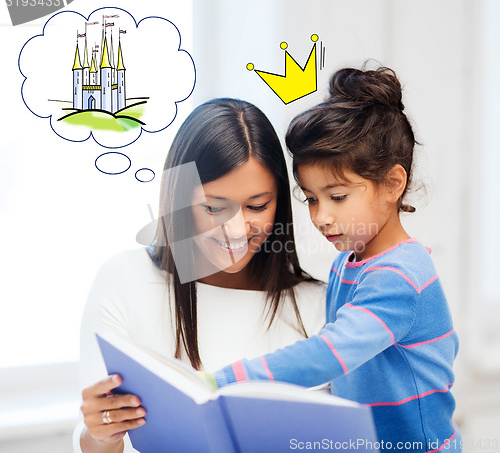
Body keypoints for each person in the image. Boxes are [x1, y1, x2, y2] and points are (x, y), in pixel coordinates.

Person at [204, 68, 462, 452]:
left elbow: (330, 354)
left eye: (337, 196)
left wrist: (222, 382)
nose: (321, 216)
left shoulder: (401, 275)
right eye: (311, 198)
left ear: (393, 183)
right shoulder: (349, 263)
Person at [73, 98, 326, 453]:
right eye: (213, 208)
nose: (237, 230)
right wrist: (100, 435)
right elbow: (99, 441)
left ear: (280, 201)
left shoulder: (318, 305)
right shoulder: (125, 281)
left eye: (257, 206)